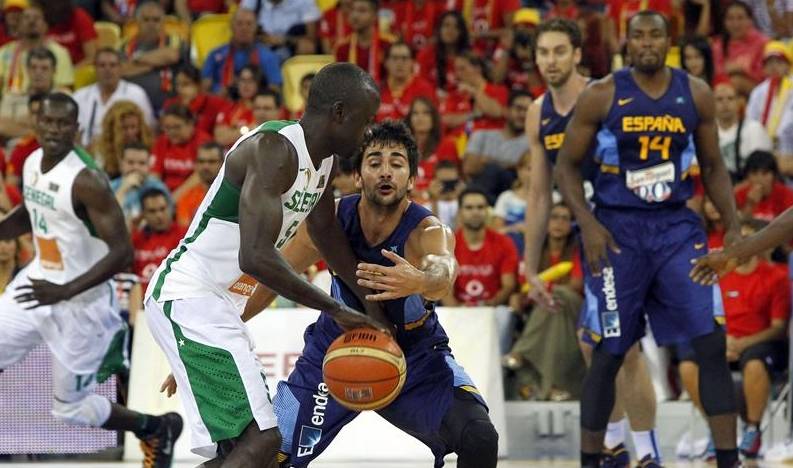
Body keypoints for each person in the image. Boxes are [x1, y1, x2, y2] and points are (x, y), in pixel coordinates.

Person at [143, 62, 387, 466]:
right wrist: (336, 309)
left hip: (216, 308)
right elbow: (254, 256)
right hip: (189, 296)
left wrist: (369, 304)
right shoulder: (274, 150)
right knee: (262, 441)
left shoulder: (323, 162)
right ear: (340, 113)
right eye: (366, 120)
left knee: (250, 453)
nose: (368, 132)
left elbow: (326, 234)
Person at [234, 120, 498, 468]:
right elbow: (272, 277)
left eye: (397, 163)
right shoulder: (330, 222)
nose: (386, 171)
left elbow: (444, 272)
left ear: (411, 180)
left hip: (415, 356)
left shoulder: (427, 230)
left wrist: (419, 280)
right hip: (335, 350)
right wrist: (214, 338)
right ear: (358, 177)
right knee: (268, 457)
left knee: (479, 436)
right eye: (375, 162)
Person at [554, 11, 742, 468]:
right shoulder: (602, 94)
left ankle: (729, 459)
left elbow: (713, 166)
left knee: (711, 342)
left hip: (676, 228)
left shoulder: (695, 92)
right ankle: (591, 459)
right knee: (609, 350)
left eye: (655, 35)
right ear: (626, 42)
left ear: (669, 40)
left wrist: (734, 224)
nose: (646, 43)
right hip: (618, 231)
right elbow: (566, 167)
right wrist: (588, 224)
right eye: (637, 35)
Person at [0, 92, 183, 467]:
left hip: (81, 302)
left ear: (77, 129)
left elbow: (123, 253)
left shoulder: (87, 180)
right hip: (39, 282)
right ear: (36, 123)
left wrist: (64, 290)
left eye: (63, 124)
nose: (54, 129)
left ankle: (155, 426)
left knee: (70, 409)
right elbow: (34, 210)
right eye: (47, 121)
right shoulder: (32, 161)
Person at [525, 18, 661, 466]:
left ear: (578, 54)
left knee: (621, 346)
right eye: (543, 52)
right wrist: (530, 266)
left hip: (626, 230)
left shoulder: (605, 95)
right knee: (594, 343)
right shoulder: (538, 112)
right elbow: (539, 194)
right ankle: (618, 445)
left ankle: (645, 452)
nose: (551, 61)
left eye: (559, 51)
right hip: (590, 237)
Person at [683, 218, 789, 460]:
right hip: (724, 340)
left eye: (749, 239)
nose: (742, 244)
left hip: (759, 343)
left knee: (754, 363)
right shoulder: (720, 274)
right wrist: (725, 342)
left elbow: (778, 328)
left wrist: (743, 344)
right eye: (739, 238)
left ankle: (752, 428)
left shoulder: (776, 276)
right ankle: (716, 429)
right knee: (689, 364)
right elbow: (705, 316)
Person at [446, 187, 517, 308]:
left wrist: (487, 307)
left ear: (487, 211)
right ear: (459, 212)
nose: (475, 212)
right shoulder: (447, 245)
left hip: (493, 310)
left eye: (480, 207)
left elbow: (508, 285)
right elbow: (444, 288)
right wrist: (457, 311)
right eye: (469, 208)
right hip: (457, 311)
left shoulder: (504, 243)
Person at [73, 48, 155, 147]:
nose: (107, 70)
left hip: (125, 152)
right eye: (102, 65)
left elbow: (148, 129)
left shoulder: (136, 94)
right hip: (86, 152)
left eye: (112, 65)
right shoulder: (79, 96)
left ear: (121, 68)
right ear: (95, 68)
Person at [120, 0, 189, 113]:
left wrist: (136, 60)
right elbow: (121, 70)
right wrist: (157, 62)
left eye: (156, 20)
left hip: (168, 107)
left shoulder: (175, 41)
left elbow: (172, 56)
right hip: (132, 108)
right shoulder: (125, 45)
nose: (151, 24)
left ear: (163, 23)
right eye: (146, 20)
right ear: (137, 22)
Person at [201, 8, 282, 95]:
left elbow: (274, 89)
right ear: (232, 27)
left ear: (255, 28)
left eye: (249, 24)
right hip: (221, 99)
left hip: (255, 100)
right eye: (239, 23)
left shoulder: (269, 57)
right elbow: (205, 86)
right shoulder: (215, 54)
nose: (244, 28)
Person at [713, 78, 772, 180]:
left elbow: (762, 171)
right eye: (719, 99)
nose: (725, 103)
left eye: (730, 98)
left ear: (739, 102)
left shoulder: (754, 129)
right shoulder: (705, 133)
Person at [132, 188, 187, 294]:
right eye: (152, 211)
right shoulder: (135, 240)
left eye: (162, 209)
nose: (159, 216)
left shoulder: (184, 236)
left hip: (172, 295)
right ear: (143, 214)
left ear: (171, 209)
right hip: (140, 299)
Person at [150, 103, 212, 195]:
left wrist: (174, 198)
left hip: (193, 194)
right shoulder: (162, 142)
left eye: (177, 127)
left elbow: (200, 176)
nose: (172, 132)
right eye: (167, 127)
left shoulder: (204, 142)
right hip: (164, 194)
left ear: (190, 124)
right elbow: (154, 175)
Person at [110, 141, 172, 228]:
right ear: (121, 164)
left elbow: (165, 222)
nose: (136, 167)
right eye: (130, 162)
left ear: (149, 165)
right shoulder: (110, 187)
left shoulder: (159, 188)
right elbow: (108, 218)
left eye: (142, 163)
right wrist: (123, 189)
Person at [376, 41, 436, 122]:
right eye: (395, 58)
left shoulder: (425, 90)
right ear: (386, 62)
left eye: (404, 58)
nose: (399, 63)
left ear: (413, 62)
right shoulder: (376, 91)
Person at [334, 0, 394, 83]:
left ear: (374, 15)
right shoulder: (342, 48)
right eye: (352, 10)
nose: (355, 15)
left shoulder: (389, 44)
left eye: (362, 11)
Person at [95, 100, 155, 179]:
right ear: (112, 129)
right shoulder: (102, 151)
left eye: (133, 127)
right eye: (124, 128)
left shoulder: (149, 145)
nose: (130, 133)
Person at [734, 150, 793, 222]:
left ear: (774, 175)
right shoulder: (740, 194)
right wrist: (750, 204)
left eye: (765, 173)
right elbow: (739, 224)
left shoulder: (786, 194)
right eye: (754, 173)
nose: (760, 179)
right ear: (747, 176)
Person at [175, 141, 224, 227]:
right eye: (201, 161)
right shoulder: (187, 198)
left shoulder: (232, 193)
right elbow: (185, 230)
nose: (206, 166)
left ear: (222, 163)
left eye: (211, 162)